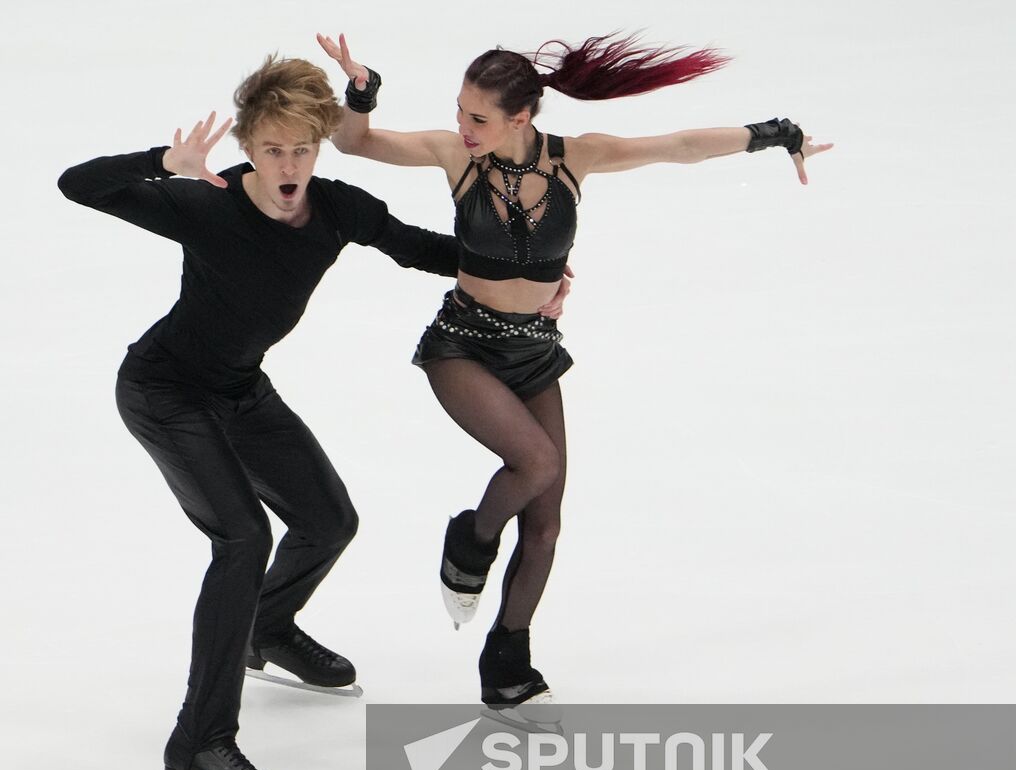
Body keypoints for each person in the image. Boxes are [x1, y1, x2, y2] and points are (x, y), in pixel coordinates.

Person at [316, 31, 832, 725]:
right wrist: (361, 90)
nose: (464, 128)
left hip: (534, 350)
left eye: (479, 118)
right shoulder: (453, 156)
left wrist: (774, 134)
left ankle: (506, 666)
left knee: (549, 523)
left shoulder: (574, 160)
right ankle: (469, 541)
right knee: (534, 462)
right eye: (461, 112)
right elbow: (355, 144)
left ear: (521, 118)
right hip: (462, 344)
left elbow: (677, 147)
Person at [57, 55, 481, 770]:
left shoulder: (338, 208)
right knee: (243, 540)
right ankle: (200, 744)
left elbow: (422, 249)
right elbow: (77, 184)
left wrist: (523, 269)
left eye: (303, 150)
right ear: (249, 148)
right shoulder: (206, 202)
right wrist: (164, 164)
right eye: (275, 150)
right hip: (165, 392)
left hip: (240, 391)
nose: (290, 167)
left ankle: (268, 629)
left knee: (328, 520)